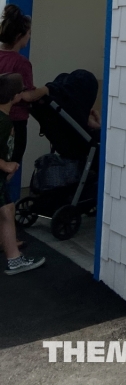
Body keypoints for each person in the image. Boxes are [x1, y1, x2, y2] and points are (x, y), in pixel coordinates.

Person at [0, 73, 45, 275]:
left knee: (7, 211)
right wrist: (5, 165)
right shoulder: (2, 122)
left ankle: (13, 257)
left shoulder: (4, 119)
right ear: (16, 96)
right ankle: (14, 260)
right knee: (7, 212)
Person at [0, 5, 49, 193]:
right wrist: (45, 90)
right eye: (29, 33)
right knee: (10, 168)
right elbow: (26, 95)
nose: (29, 37)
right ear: (20, 36)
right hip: (15, 123)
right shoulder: (21, 63)